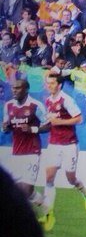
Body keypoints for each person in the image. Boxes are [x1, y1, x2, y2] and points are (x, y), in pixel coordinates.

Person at [42, 74, 86, 231]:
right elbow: (51, 121)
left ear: (60, 85)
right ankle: (48, 213)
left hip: (69, 144)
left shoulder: (66, 100)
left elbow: (79, 119)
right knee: (49, 178)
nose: (49, 86)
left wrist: (60, 122)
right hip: (54, 143)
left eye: (52, 83)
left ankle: (85, 192)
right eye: (48, 83)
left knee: (71, 179)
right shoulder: (48, 100)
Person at [1, 80, 50, 226]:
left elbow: (48, 126)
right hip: (16, 151)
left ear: (26, 89)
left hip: (32, 151)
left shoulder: (35, 105)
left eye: (18, 88)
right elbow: (7, 127)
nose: (14, 90)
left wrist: (32, 129)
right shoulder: (8, 105)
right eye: (13, 88)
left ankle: (46, 212)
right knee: (16, 190)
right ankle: (41, 210)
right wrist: (6, 127)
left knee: (27, 190)